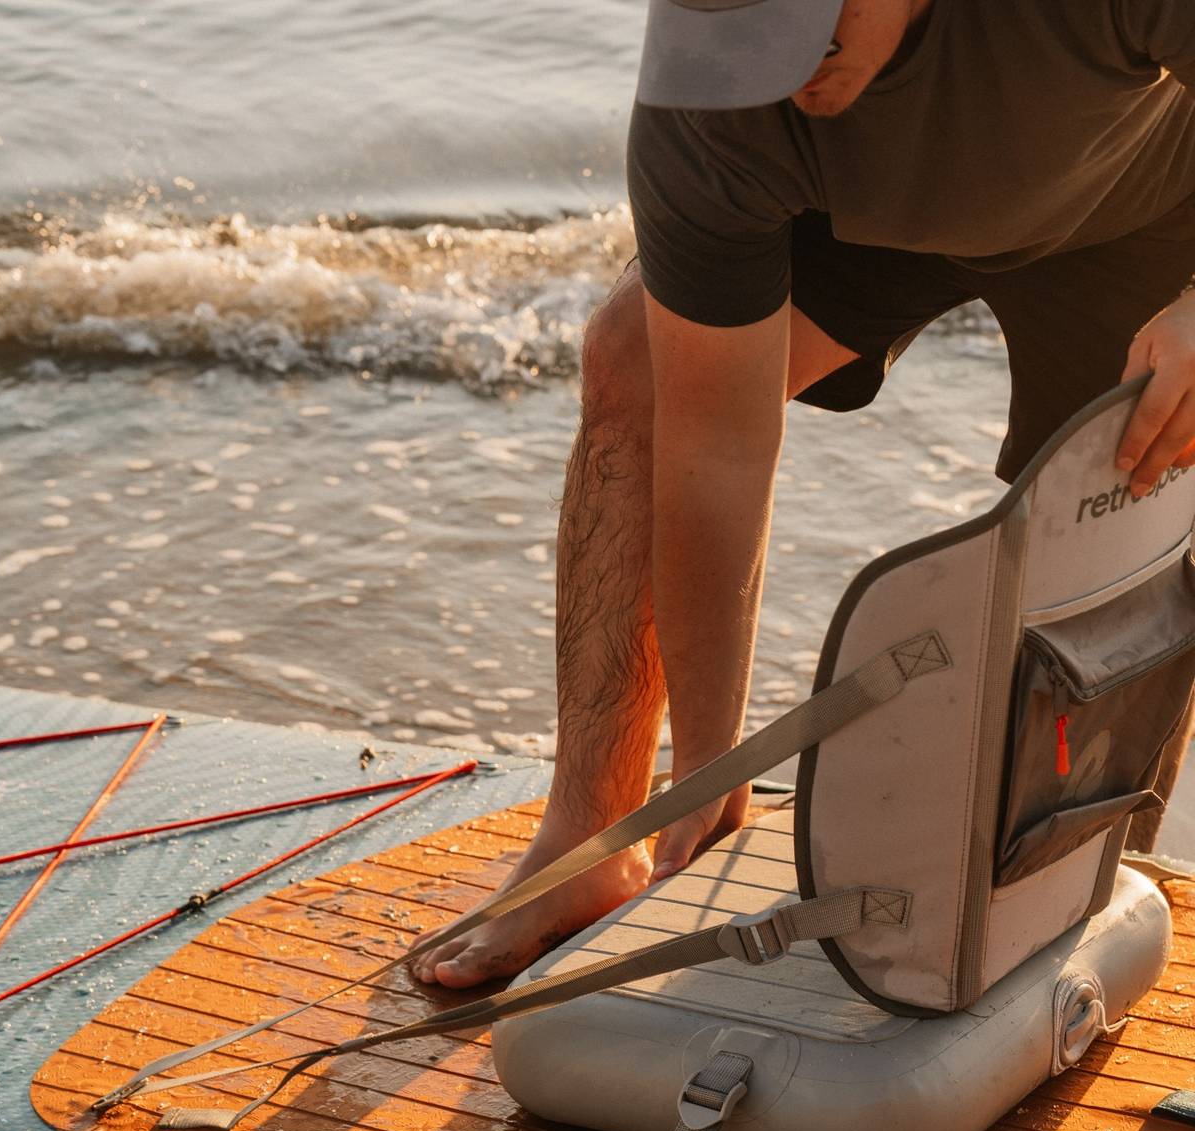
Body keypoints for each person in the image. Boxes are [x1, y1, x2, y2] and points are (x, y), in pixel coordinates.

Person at [413, 0, 1195, 988]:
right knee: (636, 360)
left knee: (1125, 495)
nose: (773, 82)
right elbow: (716, 447)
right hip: (881, 215)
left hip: (1149, 210)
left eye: (801, 40)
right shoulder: (715, 109)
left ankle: (1101, 886)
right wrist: (706, 774)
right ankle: (594, 838)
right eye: (738, 48)